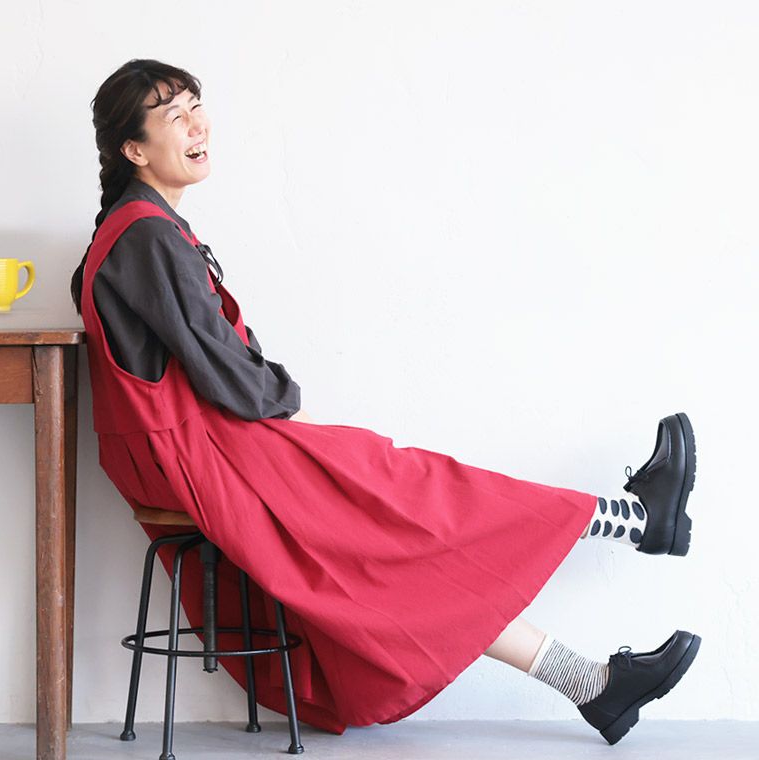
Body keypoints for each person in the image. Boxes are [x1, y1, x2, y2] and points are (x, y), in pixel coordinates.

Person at [69, 59, 701, 746]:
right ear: (134, 150)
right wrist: (291, 409)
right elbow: (221, 366)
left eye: (198, 106)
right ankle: (638, 522)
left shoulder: (142, 231)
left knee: (408, 537)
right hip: (203, 456)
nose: (198, 125)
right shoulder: (145, 235)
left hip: (198, 451)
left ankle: (598, 679)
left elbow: (211, 362)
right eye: (175, 116)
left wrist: (283, 412)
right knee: (417, 493)